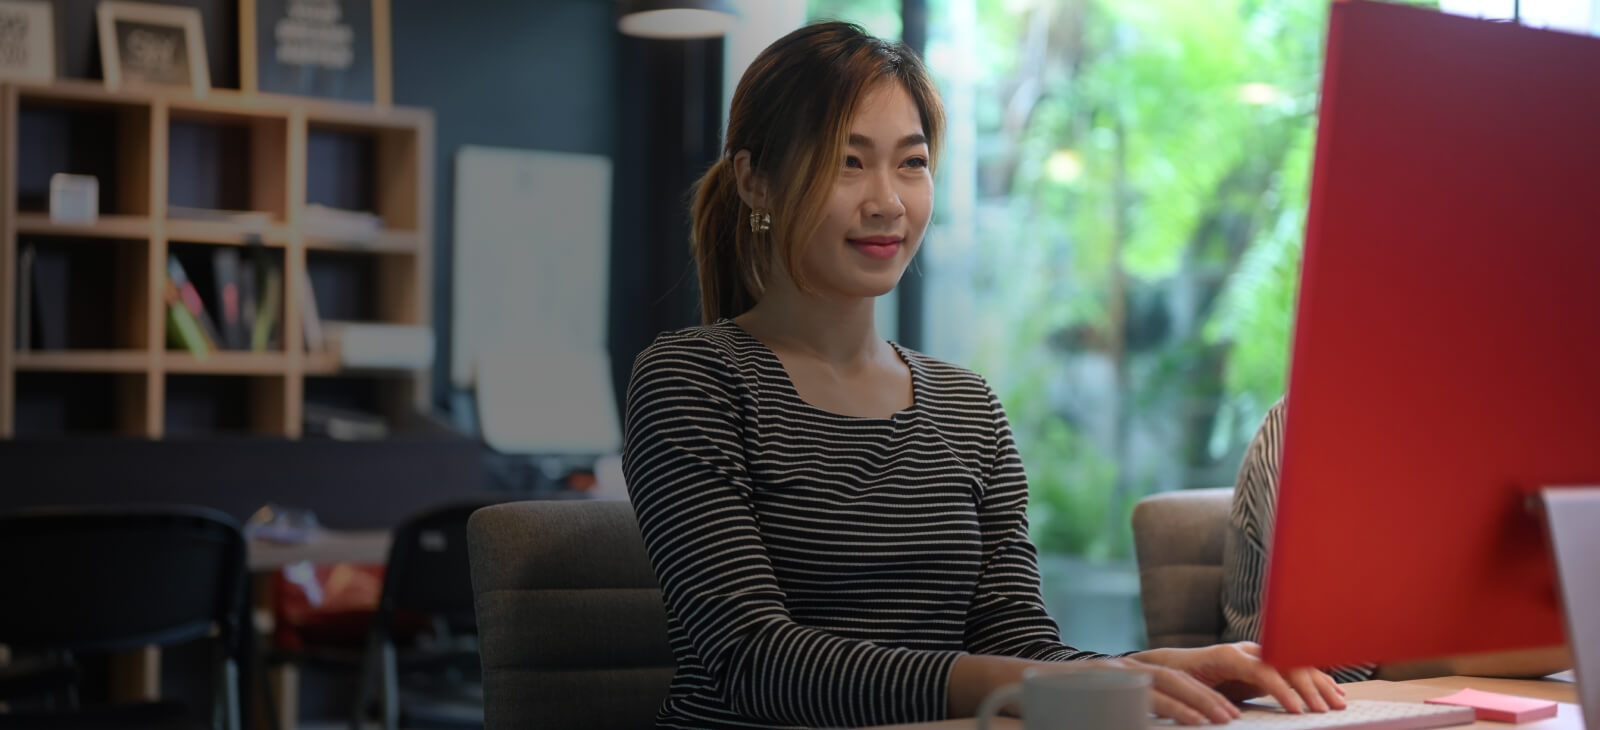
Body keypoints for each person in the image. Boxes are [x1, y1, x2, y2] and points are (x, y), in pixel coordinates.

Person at [620, 21, 1345, 730]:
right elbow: (752, 660)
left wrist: (1159, 669)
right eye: (848, 161)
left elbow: (1020, 648)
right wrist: (1031, 681)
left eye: (911, 162)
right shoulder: (693, 382)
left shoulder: (965, 405)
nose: (888, 201)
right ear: (755, 181)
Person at [1221, 399, 1572, 682]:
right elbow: (1333, 649)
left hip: (1472, 694)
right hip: (1295, 702)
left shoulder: (1485, 430)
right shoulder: (1303, 420)